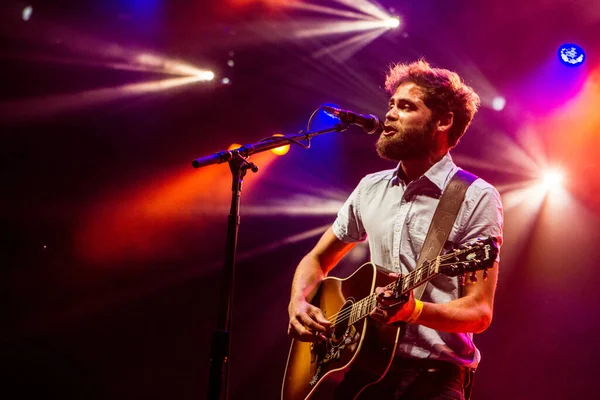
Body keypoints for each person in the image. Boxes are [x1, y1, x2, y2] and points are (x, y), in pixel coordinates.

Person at [287, 59, 503, 399]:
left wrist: (414, 311)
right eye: (391, 105)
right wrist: (299, 302)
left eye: (406, 106)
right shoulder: (370, 188)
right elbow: (315, 260)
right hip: (359, 370)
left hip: (432, 378)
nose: (389, 114)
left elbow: (478, 312)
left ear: (443, 121)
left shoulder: (475, 196)